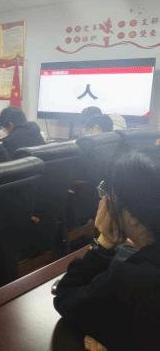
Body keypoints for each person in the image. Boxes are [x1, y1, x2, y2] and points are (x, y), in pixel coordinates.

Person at [54, 148, 160, 351]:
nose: (104, 200)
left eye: (110, 193)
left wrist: (103, 243)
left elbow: (66, 297)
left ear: (132, 214)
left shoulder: (133, 277)